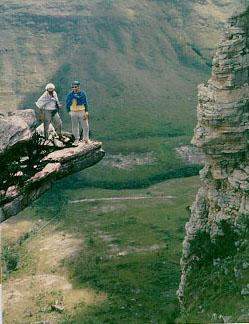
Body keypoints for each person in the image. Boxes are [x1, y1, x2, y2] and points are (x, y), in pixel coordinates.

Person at [66, 80, 90, 146]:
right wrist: (69, 112)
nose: (74, 88)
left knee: (85, 126)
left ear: (78, 87)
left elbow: (85, 103)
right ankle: (76, 139)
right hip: (73, 112)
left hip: (82, 111)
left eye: (75, 87)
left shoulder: (82, 94)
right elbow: (67, 103)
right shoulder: (70, 95)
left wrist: (86, 112)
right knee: (75, 126)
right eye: (73, 87)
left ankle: (86, 138)